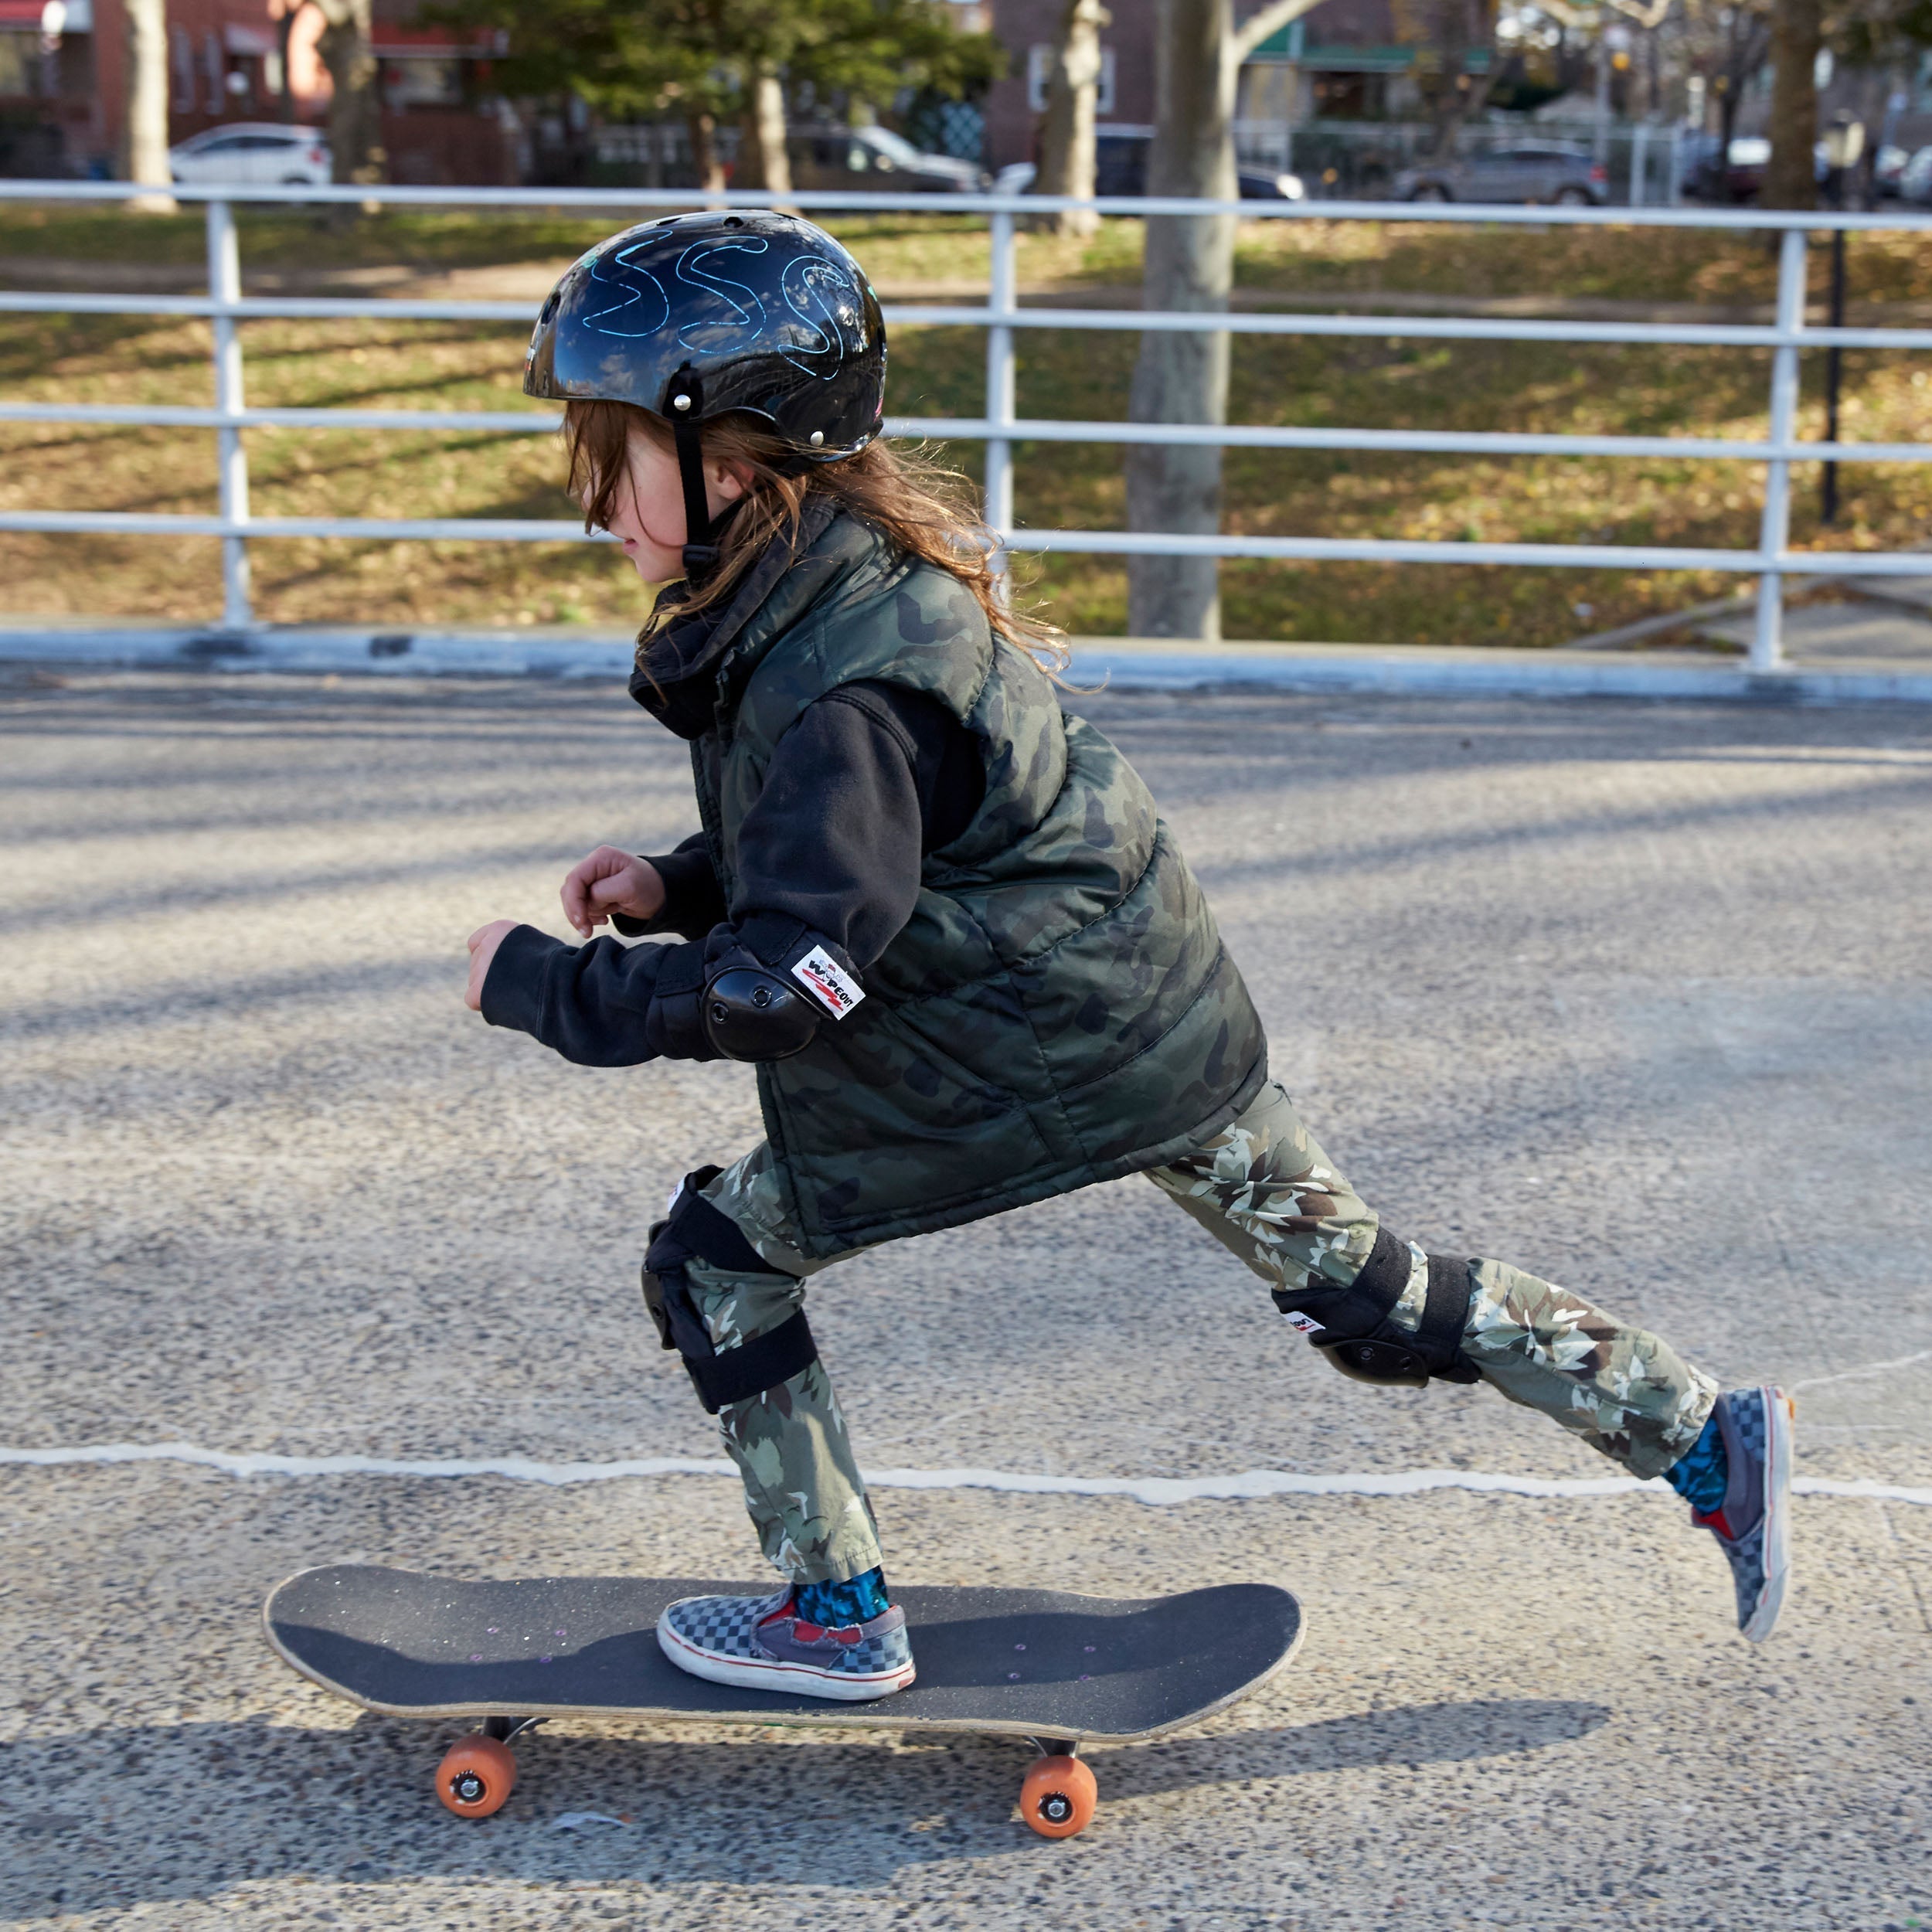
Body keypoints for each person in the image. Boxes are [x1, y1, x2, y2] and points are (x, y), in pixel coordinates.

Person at [464, 211, 1793, 1701]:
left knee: (716, 1265)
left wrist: (542, 986)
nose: (595, 508)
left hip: (1035, 1045)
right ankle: (1696, 1428)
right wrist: (678, 878)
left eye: (611, 459)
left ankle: (837, 1618)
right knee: (1361, 1293)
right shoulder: (834, 591)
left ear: (734, 458)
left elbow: (793, 981)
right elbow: (874, 847)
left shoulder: (837, 668)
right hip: (1130, 1010)